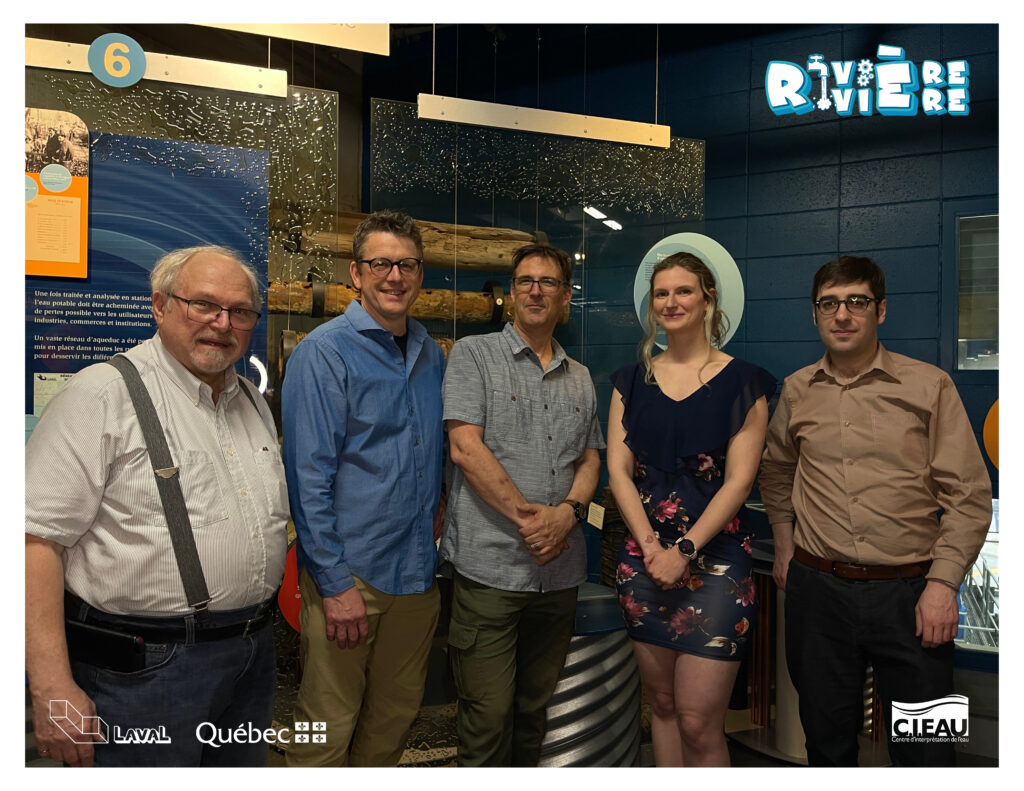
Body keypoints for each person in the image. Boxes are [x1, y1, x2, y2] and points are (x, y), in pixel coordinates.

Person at [25, 246, 288, 767]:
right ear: (160, 305)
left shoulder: (251, 399)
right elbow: (34, 542)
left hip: (251, 657)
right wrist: (51, 686)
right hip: (146, 674)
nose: (222, 324)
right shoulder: (102, 394)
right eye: (203, 304)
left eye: (239, 311)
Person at [760, 255, 992, 767]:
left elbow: (968, 494)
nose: (842, 315)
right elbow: (776, 471)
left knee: (928, 752)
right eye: (829, 304)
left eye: (857, 302)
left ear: (880, 311)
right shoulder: (797, 390)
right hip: (818, 595)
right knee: (826, 746)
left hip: (912, 595)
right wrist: (784, 543)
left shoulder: (929, 385)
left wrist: (943, 585)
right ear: (814, 314)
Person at [281, 210, 445, 767]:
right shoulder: (323, 353)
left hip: (417, 575)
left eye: (407, 264)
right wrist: (334, 585)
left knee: (392, 723)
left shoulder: (429, 354)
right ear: (355, 273)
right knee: (324, 730)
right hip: (352, 577)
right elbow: (308, 478)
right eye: (380, 264)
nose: (394, 276)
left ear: (419, 274)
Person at [607, 252, 775, 767]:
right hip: (644, 562)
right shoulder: (630, 381)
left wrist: (682, 550)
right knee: (661, 706)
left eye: (683, 291)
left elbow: (739, 482)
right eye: (661, 293)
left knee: (699, 720)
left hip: (717, 562)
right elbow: (618, 473)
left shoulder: (745, 382)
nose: (671, 302)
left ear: (708, 299)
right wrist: (652, 548)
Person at [441, 242, 604, 766]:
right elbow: (465, 448)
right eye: (525, 282)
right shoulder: (474, 355)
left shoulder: (580, 376)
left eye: (548, 282)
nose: (536, 291)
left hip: (558, 578)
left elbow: (590, 459)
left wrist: (567, 515)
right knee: (486, 717)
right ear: (511, 294)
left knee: (535, 712)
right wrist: (534, 522)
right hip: (491, 572)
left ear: (566, 297)